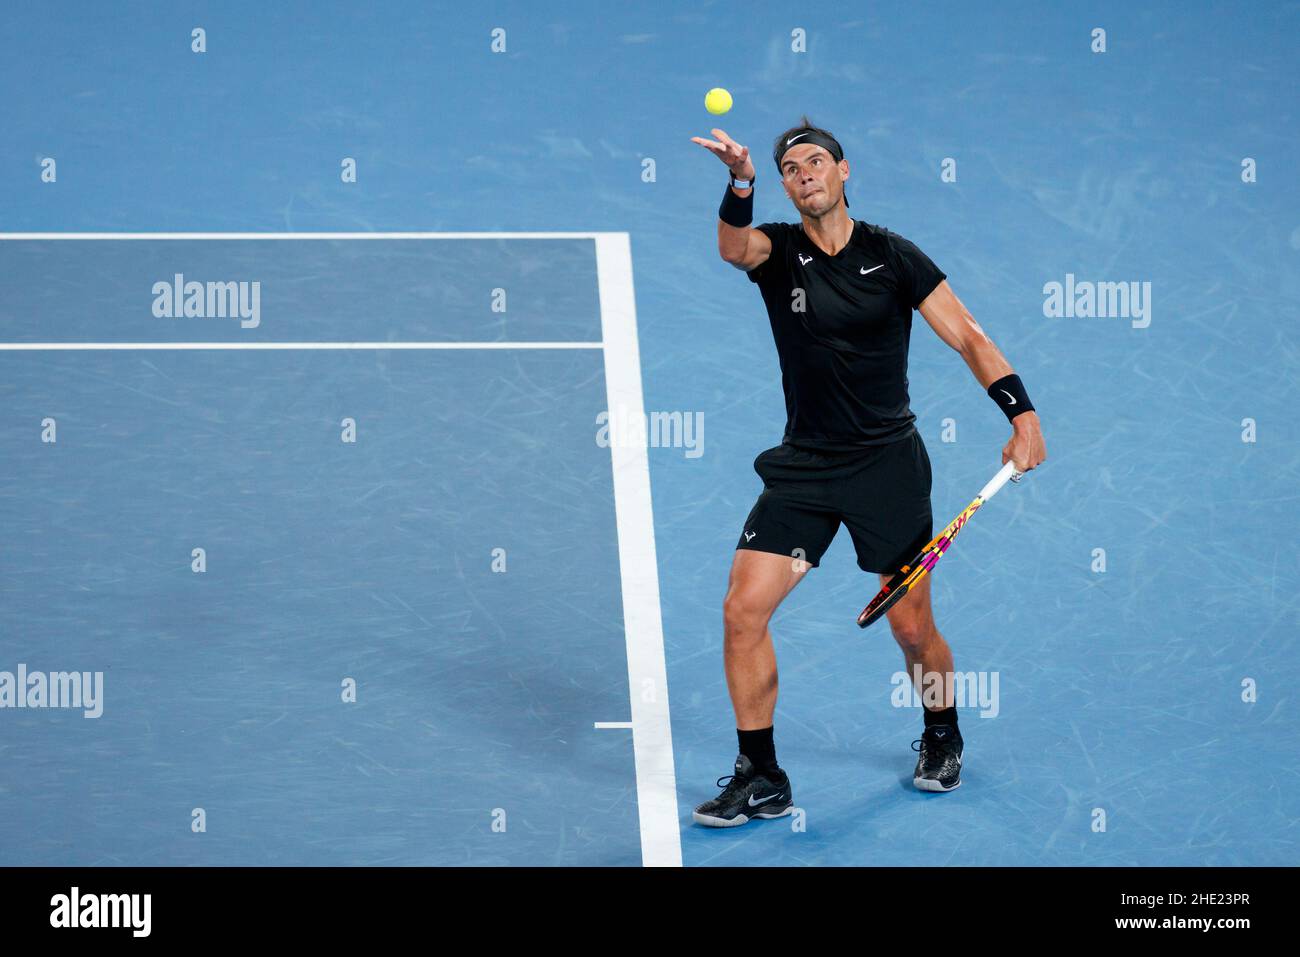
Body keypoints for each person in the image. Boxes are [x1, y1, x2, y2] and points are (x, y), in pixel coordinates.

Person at [687, 116, 1048, 826]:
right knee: (741, 612)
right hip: (805, 468)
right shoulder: (778, 253)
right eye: (791, 170)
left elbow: (968, 336)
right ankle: (761, 774)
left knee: (912, 629)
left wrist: (1022, 414)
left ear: (843, 171)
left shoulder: (894, 256)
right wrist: (738, 182)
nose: (806, 175)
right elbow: (733, 247)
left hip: (886, 469)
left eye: (816, 162)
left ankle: (941, 728)